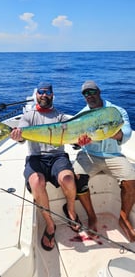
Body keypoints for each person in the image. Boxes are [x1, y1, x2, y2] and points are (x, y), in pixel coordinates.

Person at [10, 81, 82, 251]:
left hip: (57, 157)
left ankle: (70, 210)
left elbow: (74, 139)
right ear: (36, 95)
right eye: (41, 92)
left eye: (47, 92)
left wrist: (80, 143)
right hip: (36, 158)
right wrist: (18, 137)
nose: (44, 95)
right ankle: (50, 225)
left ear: (52, 95)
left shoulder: (61, 117)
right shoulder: (28, 116)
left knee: (68, 179)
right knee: (36, 182)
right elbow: (22, 137)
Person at [73, 80, 135, 242]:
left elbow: (126, 132)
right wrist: (77, 142)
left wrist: (117, 134)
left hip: (113, 155)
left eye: (92, 92)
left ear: (99, 92)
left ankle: (123, 217)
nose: (90, 96)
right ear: (84, 97)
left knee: (131, 180)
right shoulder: (81, 116)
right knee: (77, 178)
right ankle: (92, 217)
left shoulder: (116, 111)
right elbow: (73, 141)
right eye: (86, 93)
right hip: (89, 155)